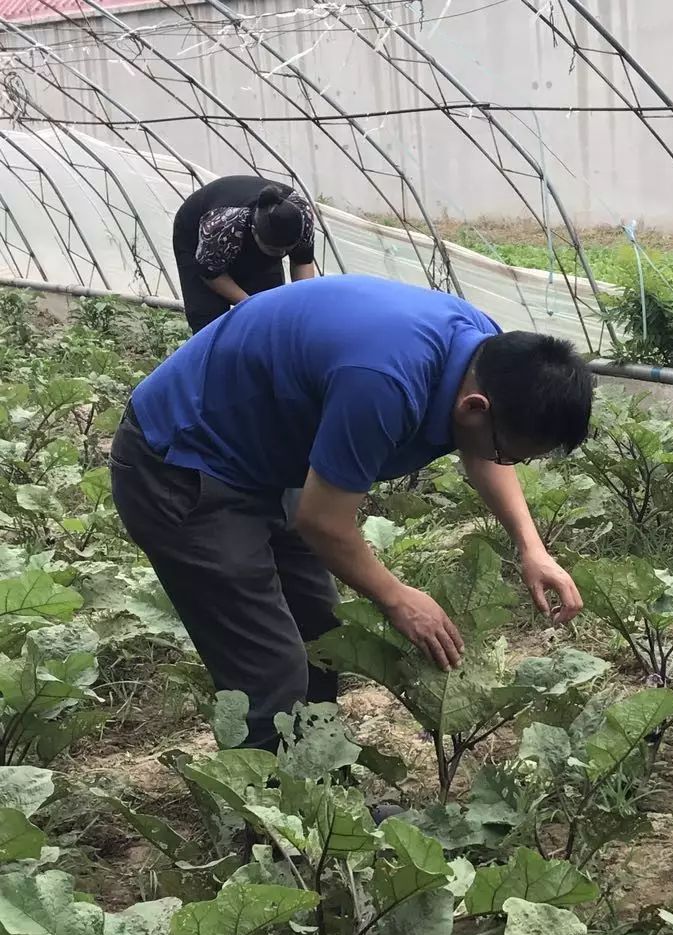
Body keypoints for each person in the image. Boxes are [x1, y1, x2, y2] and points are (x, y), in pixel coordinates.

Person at [109, 274, 593, 750]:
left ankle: (323, 794)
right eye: (512, 455)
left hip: (263, 462)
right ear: (474, 407)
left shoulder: (486, 353)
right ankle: (267, 819)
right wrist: (396, 596)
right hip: (181, 462)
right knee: (272, 669)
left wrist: (532, 547)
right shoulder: (384, 382)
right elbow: (323, 522)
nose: (509, 464)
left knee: (322, 636)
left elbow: (483, 448)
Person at [172, 175, 318, 332]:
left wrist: (303, 306)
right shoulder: (225, 223)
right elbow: (211, 275)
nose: (281, 254)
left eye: (286, 250)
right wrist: (251, 305)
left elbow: (303, 262)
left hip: (242, 240)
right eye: (274, 250)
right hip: (198, 238)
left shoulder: (303, 216)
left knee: (270, 309)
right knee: (209, 320)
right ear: (254, 232)